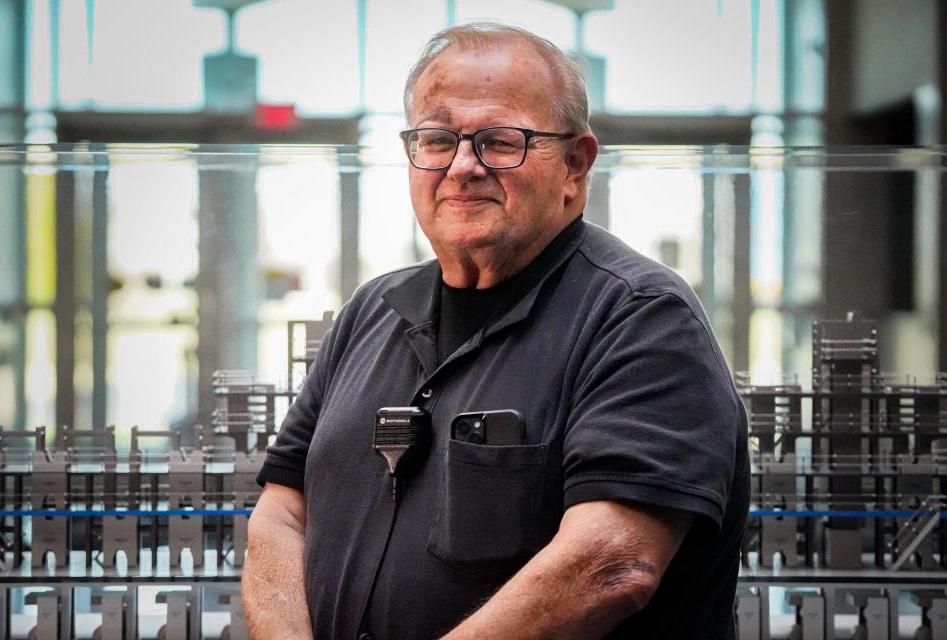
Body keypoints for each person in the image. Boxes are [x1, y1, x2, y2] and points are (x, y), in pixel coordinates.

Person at [241, 22, 750, 640]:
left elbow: (612, 564)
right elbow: (281, 512)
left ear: (574, 166)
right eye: (436, 138)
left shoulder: (641, 318)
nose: (462, 167)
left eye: (500, 141)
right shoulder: (371, 311)